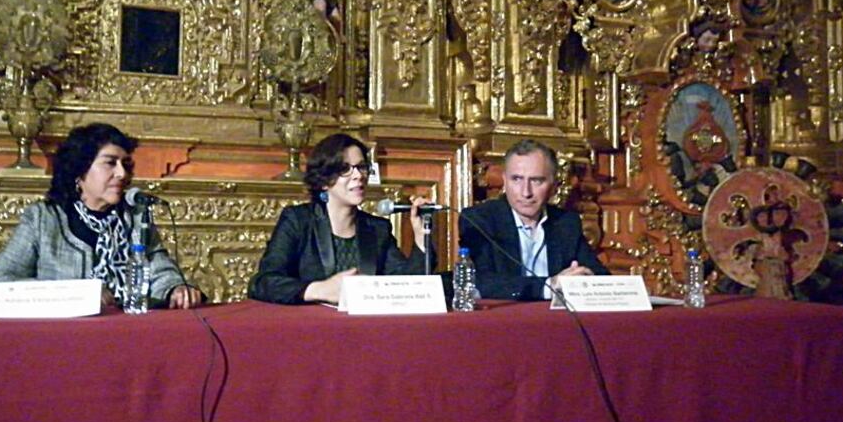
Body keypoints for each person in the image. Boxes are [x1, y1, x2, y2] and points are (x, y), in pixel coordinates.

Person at [0, 123, 201, 309]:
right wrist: (80, 294)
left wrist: (175, 288)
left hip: (128, 332)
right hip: (63, 338)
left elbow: (159, 269)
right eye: (110, 163)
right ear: (80, 169)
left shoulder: (135, 217)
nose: (122, 174)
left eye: (126, 164)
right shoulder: (43, 219)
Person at [248, 133, 430, 304]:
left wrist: (422, 239)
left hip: (366, 329)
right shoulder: (298, 220)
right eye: (345, 169)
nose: (358, 175)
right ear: (324, 180)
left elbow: (408, 288)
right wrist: (320, 289)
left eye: (361, 167)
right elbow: (263, 283)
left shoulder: (377, 228)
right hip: (312, 328)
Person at [458, 139, 608, 300]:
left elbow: (598, 276)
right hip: (505, 318)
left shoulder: (566, 223)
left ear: (553, 184)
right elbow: (479, 281)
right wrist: (548, 286)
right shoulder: (480, 219)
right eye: (516, 179)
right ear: (505, 180)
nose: (526, 192)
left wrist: (582, 279)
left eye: (536, 181)